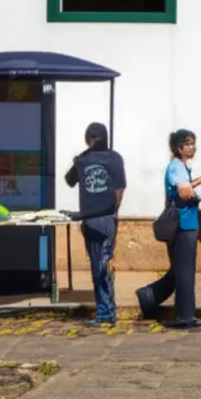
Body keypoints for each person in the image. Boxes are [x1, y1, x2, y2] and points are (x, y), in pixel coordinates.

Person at [135, 128, 201, 329]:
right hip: (181, 226)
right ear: (179, 148)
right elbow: (184, 192)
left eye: (193, 143)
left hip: (188, 224)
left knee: (180, 272)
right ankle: (185, 316)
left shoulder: (183, 167)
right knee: (184, 274)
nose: (192, 147)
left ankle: (148, 296)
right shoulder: (175, 167)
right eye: (188, 144)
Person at [63, 122, 126, 327]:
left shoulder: (87, 159)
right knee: (100, 265)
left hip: (97, 219)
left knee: (101, 266)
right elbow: (119, 189)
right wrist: (114, 212)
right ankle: (105, 310)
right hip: (98, 219)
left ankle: (106, 311)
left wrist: (80, 158)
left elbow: (68, 180)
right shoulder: (111, 158)